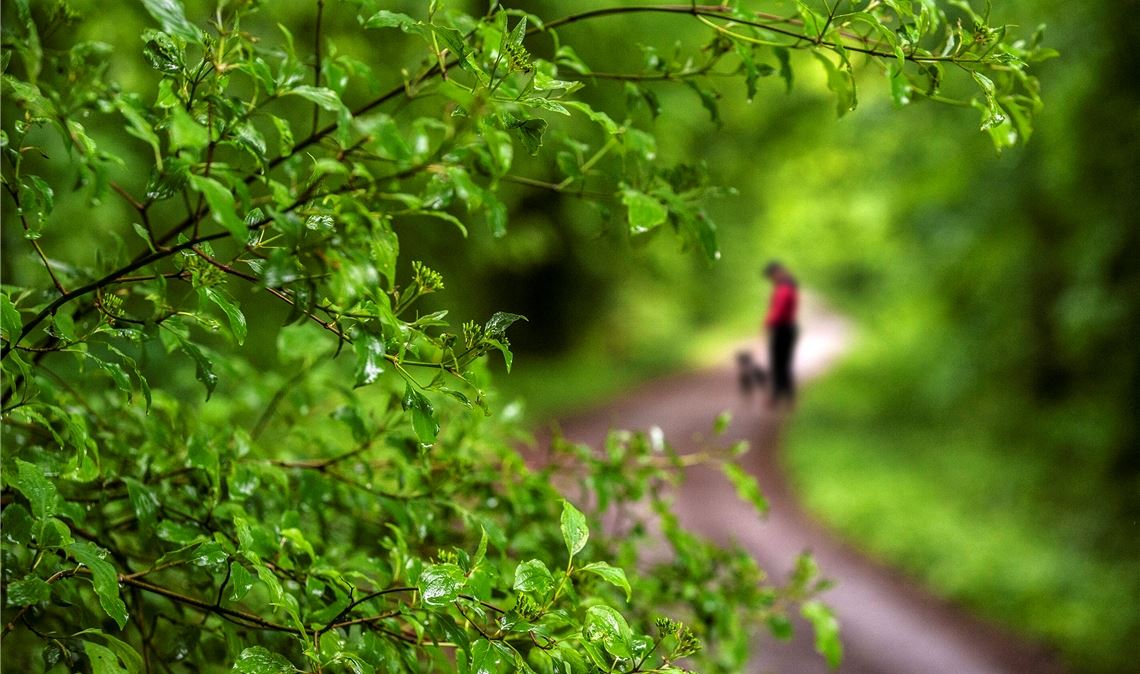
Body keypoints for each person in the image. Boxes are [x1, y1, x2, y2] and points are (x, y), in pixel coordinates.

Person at [763, 261, 799, 407]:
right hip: (787, 328)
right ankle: (786, 397)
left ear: (776, 272)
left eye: (771, 276)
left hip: (782, 328)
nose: (771, 279)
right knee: (783, 363)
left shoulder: (784, 287)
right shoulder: (789, 285)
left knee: (779, 364)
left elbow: (780, 309)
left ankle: (780, 397)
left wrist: (769, 322)